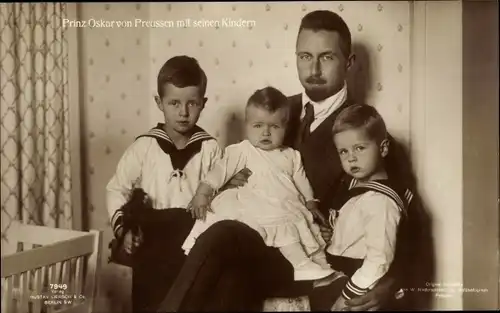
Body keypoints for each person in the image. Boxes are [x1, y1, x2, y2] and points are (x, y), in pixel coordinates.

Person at [156, 10, 412, 312]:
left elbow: (402, 219)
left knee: (221, 235)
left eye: (326, 57)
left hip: (305, 253)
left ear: (349, 63)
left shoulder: (366, 131)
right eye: (305, 56)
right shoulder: (273, 111)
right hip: (255, 233)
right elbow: (236, 164)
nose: (313, 68)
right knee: (212, 263)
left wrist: (391, 285)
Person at [182, 86, 338, 281]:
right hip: (256, 204)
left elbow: (301, 180)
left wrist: (310, 202)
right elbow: (220, 172)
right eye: (258, 126)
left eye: (274, 127)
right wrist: (203, 194)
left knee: (298, 226)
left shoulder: (291, 155)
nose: (266, 133)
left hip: (284, 202)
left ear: (285, 127)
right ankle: (301, 264)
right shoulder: (241, 150)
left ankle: (319, 266)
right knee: (274, 229)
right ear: (247, 126)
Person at [106, 55, 222, 312]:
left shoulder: (210, 148)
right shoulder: (144, 146)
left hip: (193, 238)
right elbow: (117, 189)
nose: (183, 112)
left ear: (203, 103)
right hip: (152, 239)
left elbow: (222, 194)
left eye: (192, 103)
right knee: (150, 302)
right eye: (174, 103)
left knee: (192, 301)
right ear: (159, 103)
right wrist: (124, 230)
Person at [326, 104, 412, 311]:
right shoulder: (352, 187)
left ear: (383, 148)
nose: (351, 158)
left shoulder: (380, 201)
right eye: (343, 151)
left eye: (359, 148)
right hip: (340, 270)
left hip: (358, 281)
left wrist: (347, 295)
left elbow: (379, 259)